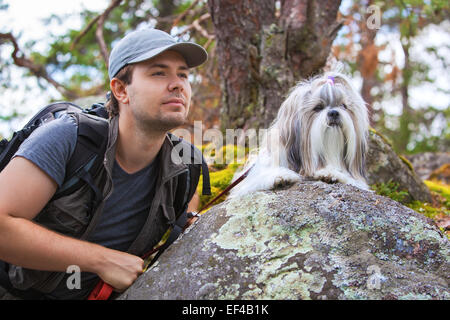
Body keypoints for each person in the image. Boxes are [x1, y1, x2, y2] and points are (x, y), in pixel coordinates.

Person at [0, 28, 208, 299]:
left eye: (183, 74)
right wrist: (102, 260)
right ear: (121, 90)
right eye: (159, 73)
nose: (177, 84)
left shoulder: (185, 165)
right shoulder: (70, 138)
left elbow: (181, 220)